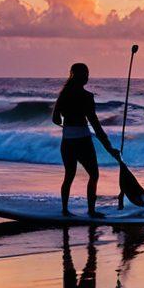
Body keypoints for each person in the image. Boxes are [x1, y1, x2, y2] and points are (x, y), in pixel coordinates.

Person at [52, 62, 119, 217]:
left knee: (69, 175)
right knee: (94, 174)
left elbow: (55, 119)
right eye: (86, 74)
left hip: (67, 140)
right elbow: (95, 124)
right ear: (81, 76)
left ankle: (64, 210)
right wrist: (109, 148)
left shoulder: (64, 94)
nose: (87, 77)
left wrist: (68, 126)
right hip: (82, 140)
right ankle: (91, 210)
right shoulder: (86, 96)